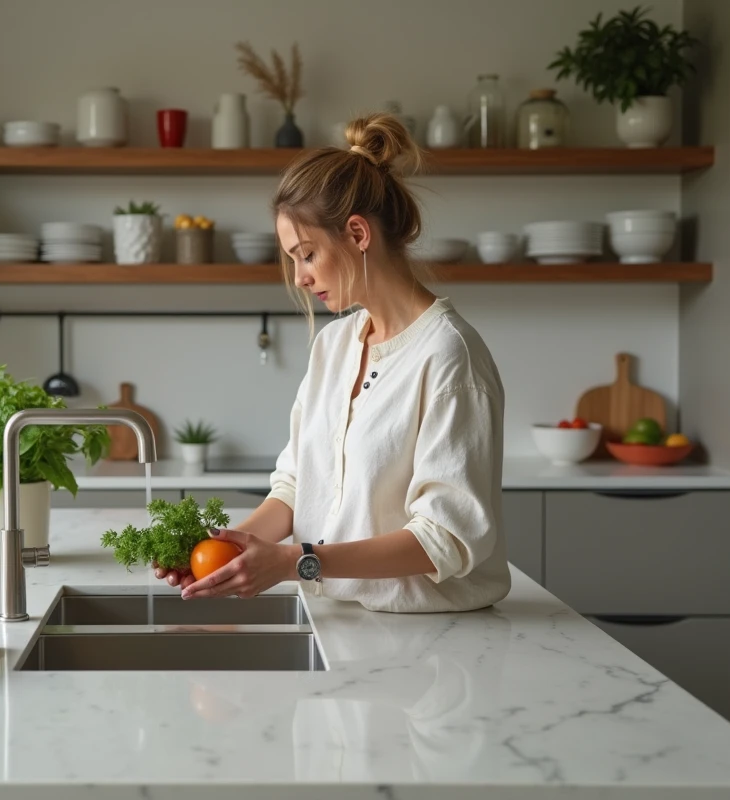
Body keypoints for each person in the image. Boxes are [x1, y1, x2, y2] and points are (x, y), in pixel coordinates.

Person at [158, 112, 511, 612]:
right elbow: (295, 486)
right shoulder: (334, 345)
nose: (300, 278)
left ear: (358, 234)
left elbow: (445, 537)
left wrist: (295, 562)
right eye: (292, 259)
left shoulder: (450, 356)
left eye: (306, 254)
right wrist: (224, 554)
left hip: (432, 639)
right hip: (335, 620)